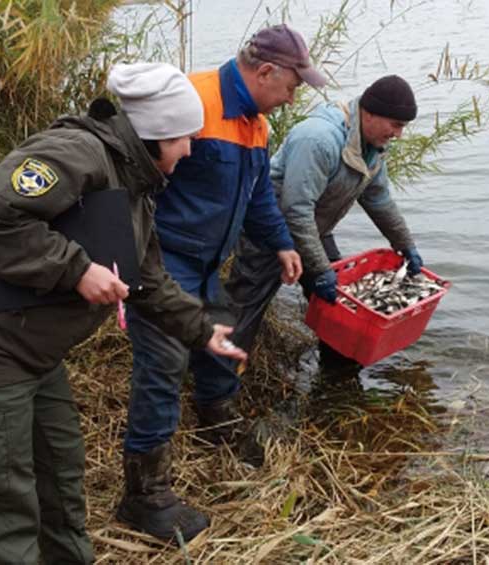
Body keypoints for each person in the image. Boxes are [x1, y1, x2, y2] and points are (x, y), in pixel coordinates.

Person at [0, 62, 246, 565]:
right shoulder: (77, 154)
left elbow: (145, 279)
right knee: (5, 518)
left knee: (62, 492)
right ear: (155, 134)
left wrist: (202, 331)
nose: (190, 150)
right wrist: (76, 269)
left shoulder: (137, 183)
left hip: (31, 356)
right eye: (183, 139)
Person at [116, 24, 326, 540]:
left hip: (211, 262)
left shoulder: (257, 125)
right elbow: (129, 179)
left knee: (221, 333)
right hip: (164, 258)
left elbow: (256, 197)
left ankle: (216, 416)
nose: (293, 97)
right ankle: (144, 494)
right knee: (163, 362)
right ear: (265, 71)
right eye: (293, 85)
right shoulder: (192, 100)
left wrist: (281, 243)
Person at [222, 74, 424, 368]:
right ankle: (217, 389)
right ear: (369, 113)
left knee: (340, 305)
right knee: (244, 309)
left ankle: (339, 371)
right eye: (395, 125)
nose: (399, 134)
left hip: (313, 228)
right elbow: (296, 209)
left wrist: (406, 246)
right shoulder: (318, 138)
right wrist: (318, 268)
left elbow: (379, 199)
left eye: (402, 126)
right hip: (267, 230)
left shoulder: (372, 148)